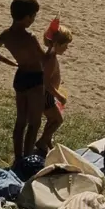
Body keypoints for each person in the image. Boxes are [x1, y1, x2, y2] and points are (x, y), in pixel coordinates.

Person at [0, 0, 47, 164]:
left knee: (21, 121)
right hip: (35, 79)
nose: (33, 20)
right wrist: (53, 46)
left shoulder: (7, 34)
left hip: (20, 76)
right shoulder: (30, 37)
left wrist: (12, 62)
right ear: (27, 17)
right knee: (34, 122)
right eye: (33, 16)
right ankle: (27, 159)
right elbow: (45, 59)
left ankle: (18, 157)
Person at [38, 22, 73, 154]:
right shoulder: (51, 59)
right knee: (58, 120)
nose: (67, 48)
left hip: (47, 94)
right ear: (57, 45)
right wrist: (59, 95)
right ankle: (42, 140)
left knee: (52, 119)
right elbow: (45, 82)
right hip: (46, 95)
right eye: (65, 45)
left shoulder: (48, 56)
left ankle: (46, 140)